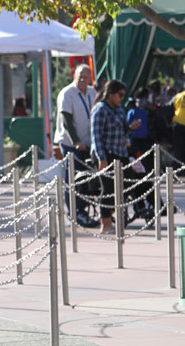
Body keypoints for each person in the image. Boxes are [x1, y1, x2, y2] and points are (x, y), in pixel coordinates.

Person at [53, 64, 98, 227]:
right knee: (73, 177)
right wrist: (76, 141)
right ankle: (75, 212)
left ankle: (83, 209)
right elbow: (66, 119)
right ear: (74, 76)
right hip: (71, 143)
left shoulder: (93, 92)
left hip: (88, 142)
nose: (82, 80)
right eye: (80, 76)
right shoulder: (67, 93)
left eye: (86, 77)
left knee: (85, 179)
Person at [91, 80, 137, 235]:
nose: (122, 98)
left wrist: (130, 129)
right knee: (108, 188)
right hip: (107, 154)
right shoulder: (100, 110)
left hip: (121, 152)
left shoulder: (120, 109)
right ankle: (105, 223)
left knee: (129, 182)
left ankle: (110, 213)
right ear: (111, 94)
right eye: (120, 95)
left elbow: (123, 130)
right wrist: (101, 158)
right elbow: (96, 136)